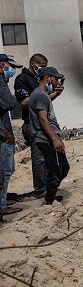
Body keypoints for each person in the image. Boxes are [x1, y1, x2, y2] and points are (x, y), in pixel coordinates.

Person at [14, 54, 61, 198]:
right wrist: (40, 94)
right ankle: (40, 189)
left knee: (46, 157)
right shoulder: (22, 79)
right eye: (42, 66)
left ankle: (47, 187)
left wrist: (55, 94)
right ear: (33, 64)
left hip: (41, 123)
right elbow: (23, 103)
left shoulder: (37, 81)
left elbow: (42, 102)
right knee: (39, 158)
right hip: (32, 124)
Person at [28, 67, 69, 205]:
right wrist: (54, 139)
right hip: (47, 139)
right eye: (55, 79)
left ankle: (50, 194)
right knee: (56, 171)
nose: (57, 82)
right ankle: (49, 201)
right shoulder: (40, 95)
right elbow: (43, 119)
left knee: (63, 168)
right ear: (47, 79)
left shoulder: (42, 95)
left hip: (49, 138)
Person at [0, 54, 22, 215]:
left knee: (7, 171)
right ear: (1, 65)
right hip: (3, 136)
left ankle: (3, 201)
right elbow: (10, 103)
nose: (11, 70)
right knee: (5, 172)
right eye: (9, 66)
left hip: (4, 133)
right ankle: (2, 206)